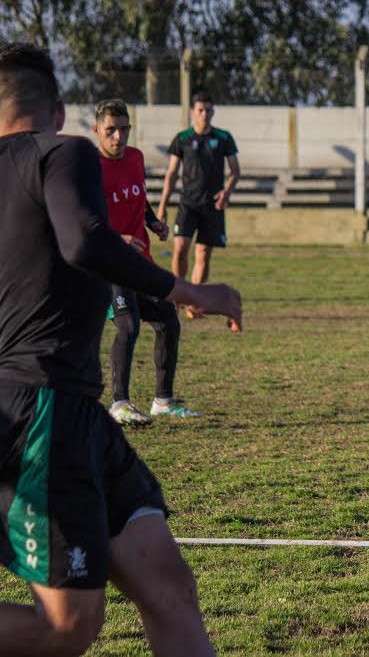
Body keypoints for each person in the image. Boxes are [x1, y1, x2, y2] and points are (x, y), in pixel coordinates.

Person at [0, 42, 242, 654]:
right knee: (67, 627)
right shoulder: (62, 151)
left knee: (169, 587)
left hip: (71, 411)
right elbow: (83, 242)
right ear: (59, 110)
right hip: (41, 407)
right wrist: (190, 289)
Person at [93, 98, 201, 425]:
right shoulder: (88, 167)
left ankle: (163, 401)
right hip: (109, 263)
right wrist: (118, 238)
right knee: (128, 325)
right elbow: (85, 218)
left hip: (140, 263)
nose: (118, 137)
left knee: (168, 320)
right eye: (110, 130)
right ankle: (119, 403)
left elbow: (139, 197)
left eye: (124, 129)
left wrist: (153, 222)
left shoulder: (136, 158)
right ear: (97, 130)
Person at [156, 91, 239, 318]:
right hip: (188, 204)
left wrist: (227, 192)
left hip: (212, 206)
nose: (205, 114)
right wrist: (162, 206)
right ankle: (177, 297)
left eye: (209, 110)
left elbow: (235, 171)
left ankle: (194, 303)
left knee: (203, 254)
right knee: (180, 249)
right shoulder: (182, 138)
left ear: (213, 112)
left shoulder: (223, 138)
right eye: (200, 110)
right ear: (193, 112)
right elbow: (172, 174)